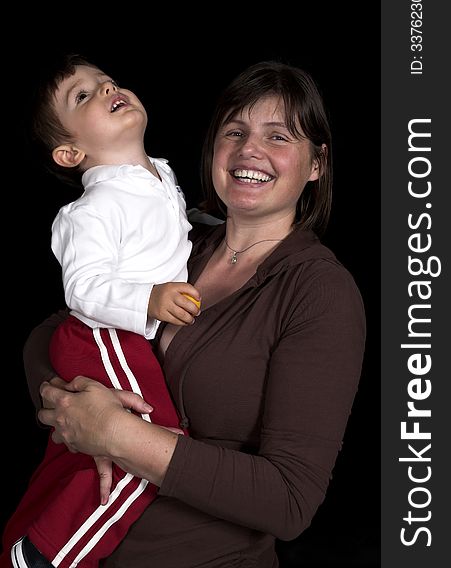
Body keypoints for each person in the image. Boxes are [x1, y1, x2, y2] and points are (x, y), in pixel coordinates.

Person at [15, 60, 366, 567]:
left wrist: (118, 435)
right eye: (236, 131)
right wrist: (62, 399)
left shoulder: (318, 292)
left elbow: (290, 501)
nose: (250, 150)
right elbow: (54, 330)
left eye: (279, 137)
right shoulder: (182, 242)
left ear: (317, 164)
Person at [1, 54, 202, 567]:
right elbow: (83, 289)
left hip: (128, 339)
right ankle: (48, 554)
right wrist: (150, 298)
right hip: (103, 335)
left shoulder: (160, 173)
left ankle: (28, 529)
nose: (108, 89)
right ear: (69, 153)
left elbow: (168, 230)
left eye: (107, 82)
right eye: (83, 96)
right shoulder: (90, 210)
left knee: (86, 450)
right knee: (151, 445)